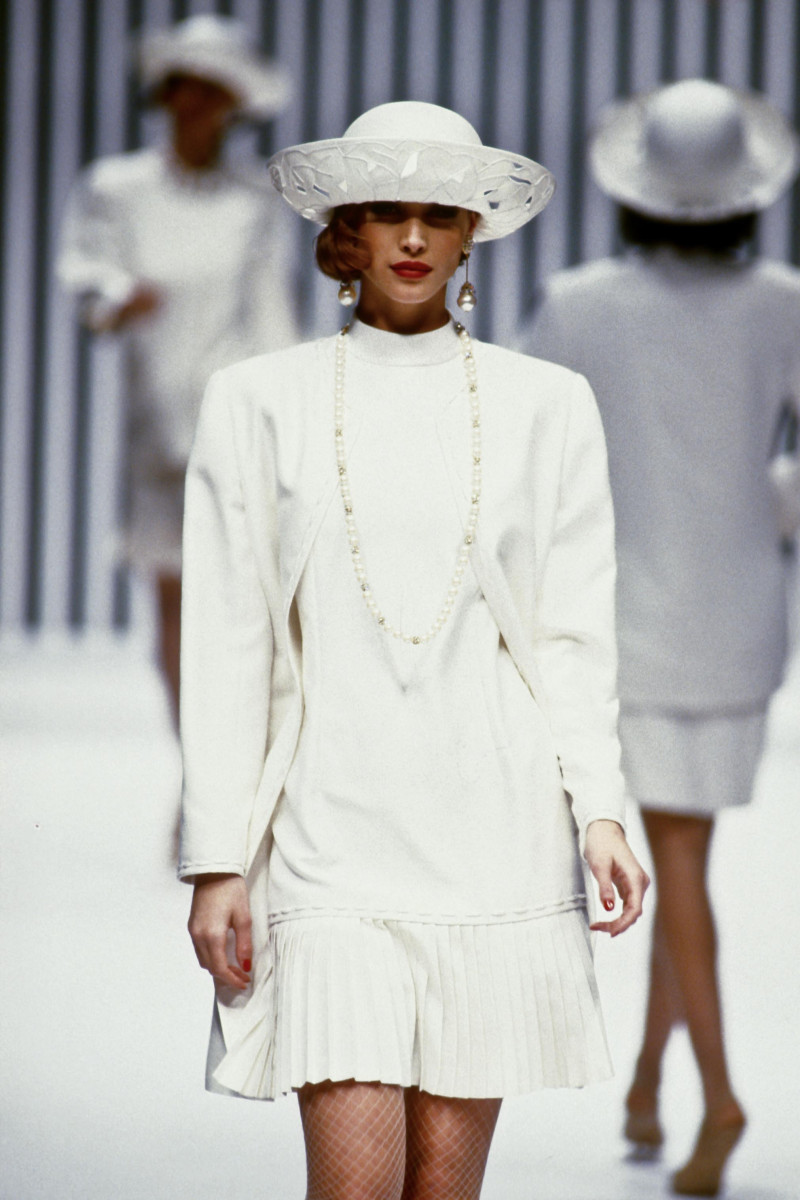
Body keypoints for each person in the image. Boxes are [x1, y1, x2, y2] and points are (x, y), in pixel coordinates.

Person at [179, 100, 648, 1200]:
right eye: (385, 211)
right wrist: (215, 861)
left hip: (491, 834)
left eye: (436, 213)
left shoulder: (548, 407)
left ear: (469, 231)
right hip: (327, 841)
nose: (409, 238)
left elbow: (571, 632)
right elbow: (226, 641)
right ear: (344, 228)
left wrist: (600, 807)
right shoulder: (257, 402)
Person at [519, 79, 800, 1198]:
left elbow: (536, 467)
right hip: (738, 617)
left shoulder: (578, 302)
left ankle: (719, 1101)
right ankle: (645, 1081)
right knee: (684, 858)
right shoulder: (782, 301)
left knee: (674, 859)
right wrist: (768, 498)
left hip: (621, 611)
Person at [57, 15, 299, 728]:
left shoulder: (255, 203)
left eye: (209, 90)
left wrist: (290, 411)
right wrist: (115, 296)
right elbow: (87, 271)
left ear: (234, 103)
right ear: (162, 95)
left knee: (242, 602)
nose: (193, 104)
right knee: (174, 597)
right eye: (181, 88)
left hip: (236, 418)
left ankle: (228, 768)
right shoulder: (117, 189)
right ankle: (195, 768)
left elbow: (271, 312)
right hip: (155, 423)